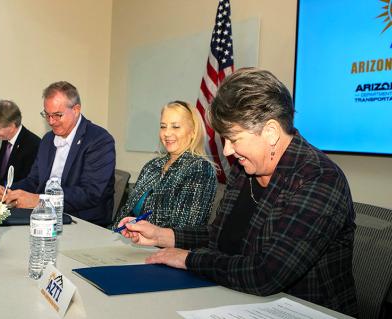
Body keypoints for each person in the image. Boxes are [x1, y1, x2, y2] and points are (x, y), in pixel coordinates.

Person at [118, 68, 358, 316]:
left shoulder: (319, 178)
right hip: (237, 299)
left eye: (234, 138)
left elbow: (266, 274)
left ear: (271, 132)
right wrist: (163, 236)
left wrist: (187, 259)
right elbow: (219, 236)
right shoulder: (244, 169)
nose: (228, 151)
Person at [0, 81, 115, 227]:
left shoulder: (99, 140)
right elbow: (34, 181)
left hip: (82, 222)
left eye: (57, 115)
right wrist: (9, 191)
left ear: (76, 110)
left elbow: (89, 194)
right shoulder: (47, 139)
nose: (51, 121)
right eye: (47, 115)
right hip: (45, 216)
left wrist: (39, 200)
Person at [112, 101, 216, 229]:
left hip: (159, 246)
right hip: (126, 238)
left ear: (193, 131)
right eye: (163, 126)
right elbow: (126, 211)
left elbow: (184, 230)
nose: (166, 133)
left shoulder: (200, 169)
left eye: (175, 126)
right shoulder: (152, 165)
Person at [0, 100, 40, 186]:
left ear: (12, 126)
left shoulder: (33, 145)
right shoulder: (6, 139)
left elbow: (25, 182)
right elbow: (1, 173)